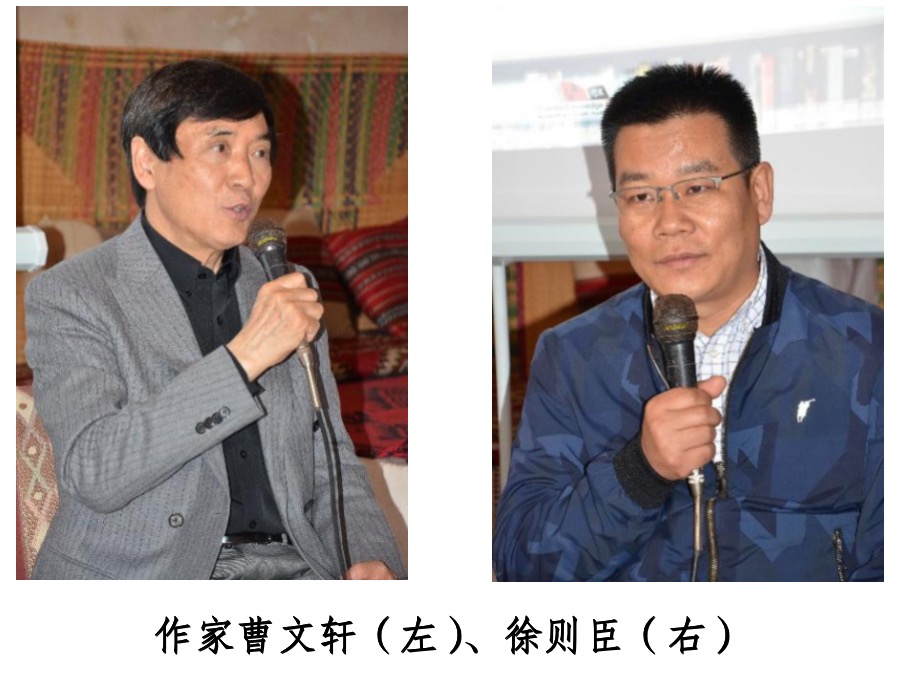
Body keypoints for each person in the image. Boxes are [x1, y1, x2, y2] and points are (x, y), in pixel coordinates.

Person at [492, 64, 883, 581]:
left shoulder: (867, 350)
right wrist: (638, 473)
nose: (670, 222)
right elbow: (521, 569)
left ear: (759, 192)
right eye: (641, 196)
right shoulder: (573, 357)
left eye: (697, 187)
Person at [25, 59, 404, 580]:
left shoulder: (285, 285)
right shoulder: (74, 293)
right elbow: (94, 470)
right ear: (147, 162)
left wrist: (370, 556)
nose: (247, 175)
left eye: (260, 151)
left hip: (293, 571)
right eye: (220, 147)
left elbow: (331, 455)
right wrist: (245, 356)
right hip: (146, 579)